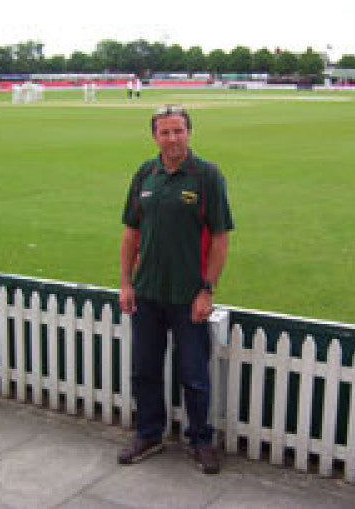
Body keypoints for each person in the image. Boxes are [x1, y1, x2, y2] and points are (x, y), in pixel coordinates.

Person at [118, 104, 233, 474]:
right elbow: (131, 233)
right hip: (147, 293)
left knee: (194, 375)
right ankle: (149, 434)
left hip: (188, 296)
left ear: (189, 132)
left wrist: (207, 290)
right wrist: (125, 282)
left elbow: (220, 238)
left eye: (178, 131)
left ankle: (201, 440)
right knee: (144, 370)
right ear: (155, 136)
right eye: (165, 132)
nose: (172, 138)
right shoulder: (145, 174)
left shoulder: (206, 176)